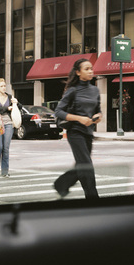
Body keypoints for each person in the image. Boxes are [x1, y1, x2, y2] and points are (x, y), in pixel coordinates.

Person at [53, 58, 102, 200]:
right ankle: (93, 199)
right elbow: (58, 112)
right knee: (87, 166)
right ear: (78, 72)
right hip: (75, 132)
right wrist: (79, 118)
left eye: (91, 68)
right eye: (86, 69)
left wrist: (98, 116)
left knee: (82, 165)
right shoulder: (72, 91)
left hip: (88, 133)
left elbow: (98, 110)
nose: (91, 71)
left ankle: (61, 184)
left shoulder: (95, 90)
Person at [0, 78, 21, 178]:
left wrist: (16, 102)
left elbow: (19, 106)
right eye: (1, 86)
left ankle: (5, 171)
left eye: (4, 86)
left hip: (8, 123)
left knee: (6, 148)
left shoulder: (9, 96)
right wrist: (6, 108)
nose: (4, 88)